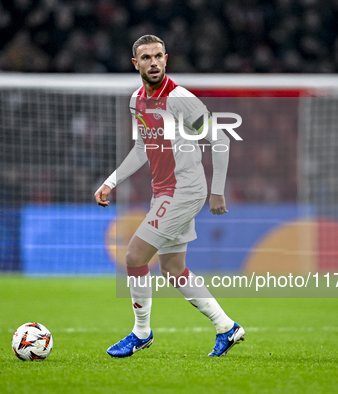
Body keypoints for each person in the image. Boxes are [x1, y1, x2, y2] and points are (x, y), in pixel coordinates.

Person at [94, 35, 245, 358]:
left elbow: (220, 138)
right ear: (136, 64)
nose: (153, 62)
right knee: (174, 269)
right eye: (146, 57)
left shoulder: (181, 99)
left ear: (167, 59)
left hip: (185, 190)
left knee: (135, 256)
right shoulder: (137, 101)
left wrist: (217, 191)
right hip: (163, 191)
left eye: (158, 56)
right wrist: (112, 181)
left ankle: (141, 333)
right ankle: (227, 327)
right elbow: (141, 148)